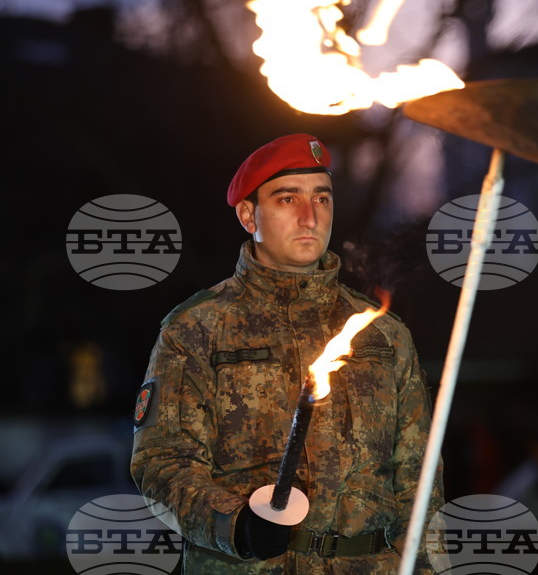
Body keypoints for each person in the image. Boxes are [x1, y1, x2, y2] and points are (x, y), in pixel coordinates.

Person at [131, 133, 444, 573]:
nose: (309, 216)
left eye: (322, 198)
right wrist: (234, 525)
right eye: (286, 199)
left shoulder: (382, 333)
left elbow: (418, 473)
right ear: (247, 215)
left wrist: (428, 565)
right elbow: (161, 465)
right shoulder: (197, 328)